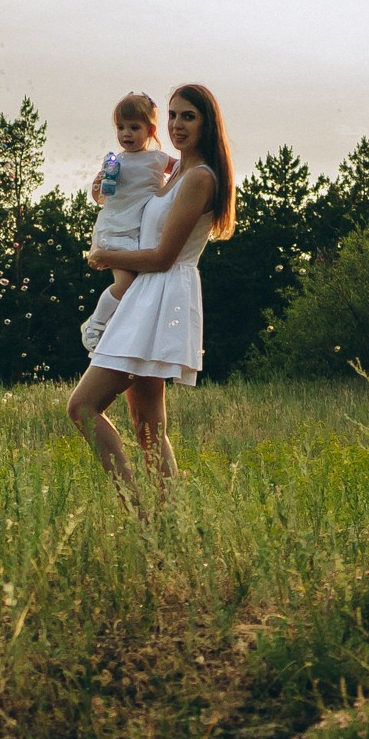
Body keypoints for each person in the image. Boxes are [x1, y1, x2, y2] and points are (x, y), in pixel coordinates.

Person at [67, 83, 236, 491]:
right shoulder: (174, 170)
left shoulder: (199, 178)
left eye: (188, 116)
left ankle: (138, 512)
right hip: (146, 292)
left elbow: (163, 257)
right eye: (173, 115)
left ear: (208, 124)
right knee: (146, 423)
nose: (177, 124)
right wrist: (106, 188)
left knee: (83, 406)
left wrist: (107, 256)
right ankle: (166, 518)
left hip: (161, 293)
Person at [80, 92, 175, 352]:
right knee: (126, 285)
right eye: (121, 127)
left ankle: (115, 332)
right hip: (114, 231)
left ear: (150, 130)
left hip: (139, 234)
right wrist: (100, 182)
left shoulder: (158, 158)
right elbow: (99, 198)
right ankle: (95, 324)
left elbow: (185, 169)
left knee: (138, 290)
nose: (126, 134)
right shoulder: (116, 162)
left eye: (134, 127)